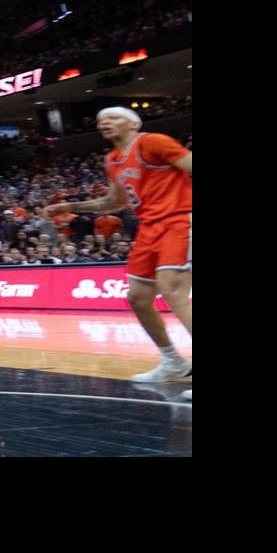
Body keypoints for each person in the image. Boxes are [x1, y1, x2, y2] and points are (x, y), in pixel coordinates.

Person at [46, 107, 192, 400]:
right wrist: (71, 206)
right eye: (100, 121)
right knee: (137, 297)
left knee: (173, 291)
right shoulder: (112, 159)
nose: (104, 123)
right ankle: (173, 361)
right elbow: (116, 202)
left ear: (133, 124)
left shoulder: (152, 142)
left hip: (179, 219)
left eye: (112, 118)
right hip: (148, 228)